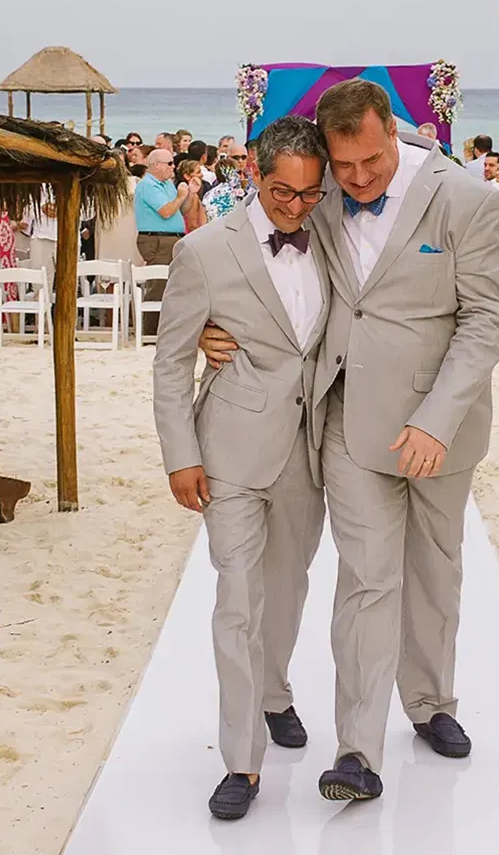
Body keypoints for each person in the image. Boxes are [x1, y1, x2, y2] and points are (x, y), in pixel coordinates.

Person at [198, 78, 499, 802]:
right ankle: (358, 756)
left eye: (371, 161)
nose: (359, 178)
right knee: (368, 581)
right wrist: (224, 329)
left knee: (437, 570)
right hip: (349, 421)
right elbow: (257, 253)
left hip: (442, 428)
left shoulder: (469, 200)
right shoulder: (324, 197)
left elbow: (485, 323)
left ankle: (432, 703)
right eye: (345, 167)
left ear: (393, 133)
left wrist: (435, 419)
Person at [154, 116, 332, 822]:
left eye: (310, 194)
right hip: (227, 451)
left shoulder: (337, 241)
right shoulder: (204, 251)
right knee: (238, 600)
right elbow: (170, 362)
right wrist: (180, 456)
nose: (295, 207)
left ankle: (275, 692)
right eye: (283, 191)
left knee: (288, 587)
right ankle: (241, 760)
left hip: (308, 448)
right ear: (255, 175)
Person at [135, 149, 195, 333]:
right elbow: (166, 211)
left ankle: (167, 329)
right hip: (157, 239)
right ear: (156, 165)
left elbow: (181, 210)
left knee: (173, 285)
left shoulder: (167, 184)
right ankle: (151, 331)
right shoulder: (148, 185)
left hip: (172, 238)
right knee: (158, 284)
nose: (173, 166)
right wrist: (180, 196)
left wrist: (191, 194)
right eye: (169, 163)